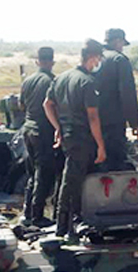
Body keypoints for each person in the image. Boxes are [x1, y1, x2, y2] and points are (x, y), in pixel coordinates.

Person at [44, 39, 107, 238]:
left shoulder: (62, 78)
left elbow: (47, 104)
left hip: (69, 136)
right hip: (81, 138)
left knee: (72, 178)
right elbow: (93, 117)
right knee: (71, 181)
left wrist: (58, 128)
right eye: (99, 59)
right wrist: (100, 145)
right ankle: (63, 226)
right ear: (94, 57)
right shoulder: (87, 82)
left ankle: (74, 221)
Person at [19, 47, 60, 226]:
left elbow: (21, 105)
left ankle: (27, 212)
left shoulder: (27, 81)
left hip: (27, 129)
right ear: (52, 62)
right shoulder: (52, 81)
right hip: (43, 132)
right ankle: (37, 216)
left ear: (37, 61)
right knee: (44, 174)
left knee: (33, 173)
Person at [95, 28, 138, 171]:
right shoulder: (119, 60)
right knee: (115, 163)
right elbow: (127, 94)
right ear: (117, 41)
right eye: (121, 44)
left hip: (90, 121)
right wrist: (134, 122)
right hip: (113, 122)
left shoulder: (92, 59)